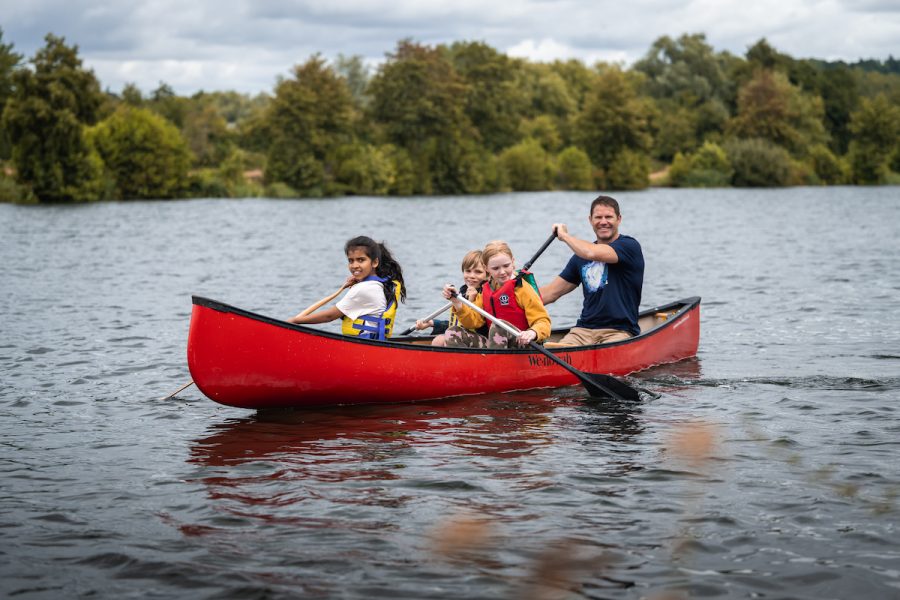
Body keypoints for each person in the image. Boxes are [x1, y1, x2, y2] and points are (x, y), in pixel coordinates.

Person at [540, 195, 644, 347]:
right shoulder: (580, 257)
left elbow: (592, 253)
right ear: (590, 220)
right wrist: (512, 299)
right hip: (582, 331)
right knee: (556, 350)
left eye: (609, 217)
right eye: (598, 217)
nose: (603, 222)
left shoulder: (629, 246)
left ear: (619, 219)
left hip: (619, 331)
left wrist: (564, 236)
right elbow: (550, 293)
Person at [289, 236, 406, 340]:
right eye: (351, 261)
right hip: (370, 341)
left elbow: (329, 316)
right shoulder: (378, 285)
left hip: (363, 344)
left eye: (361, 260)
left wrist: (295, 321)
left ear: (375, 262)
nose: (355, 265)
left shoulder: (363, 289)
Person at [442, 241, 551, 348]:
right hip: (496, 343)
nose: (502, 272)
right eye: (496, 268)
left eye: (506, 266)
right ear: (486, 269)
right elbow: (473, 322)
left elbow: (543, 321)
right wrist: (456, 302)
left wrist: (533, 332)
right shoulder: (486, 289)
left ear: (513, 262)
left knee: (499, 325)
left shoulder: (523, 289)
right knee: (453, 332)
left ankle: (496, 363)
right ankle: (466, 364)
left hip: (523, 343)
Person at [415, 250, 489, 347]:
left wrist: (471, 301)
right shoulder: (463, 293)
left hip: (485, 340)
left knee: (451, 334)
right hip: (464, 335)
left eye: (478, 272)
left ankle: (461, 361)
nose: (471, 276)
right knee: (439, 341)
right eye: (468, 271)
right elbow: (457, 324)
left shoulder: (487, 294)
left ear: (488, 275)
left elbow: (472, 324)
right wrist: (432, 323)